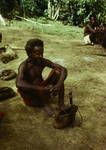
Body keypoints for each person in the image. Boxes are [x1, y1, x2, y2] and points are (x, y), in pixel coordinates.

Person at [16, 39, 67, 117]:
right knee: (38, 85)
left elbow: (63, 69)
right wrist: (41, 89)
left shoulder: (41, 61)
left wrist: (58, 85)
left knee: (58, 72)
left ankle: (61, 103)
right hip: (31, 97)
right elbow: (19, 83)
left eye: (42, 53)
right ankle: (45, 105)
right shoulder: (24, 65)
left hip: (42, 91)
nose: (41, 56)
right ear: (30, 53)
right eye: (37, 53)